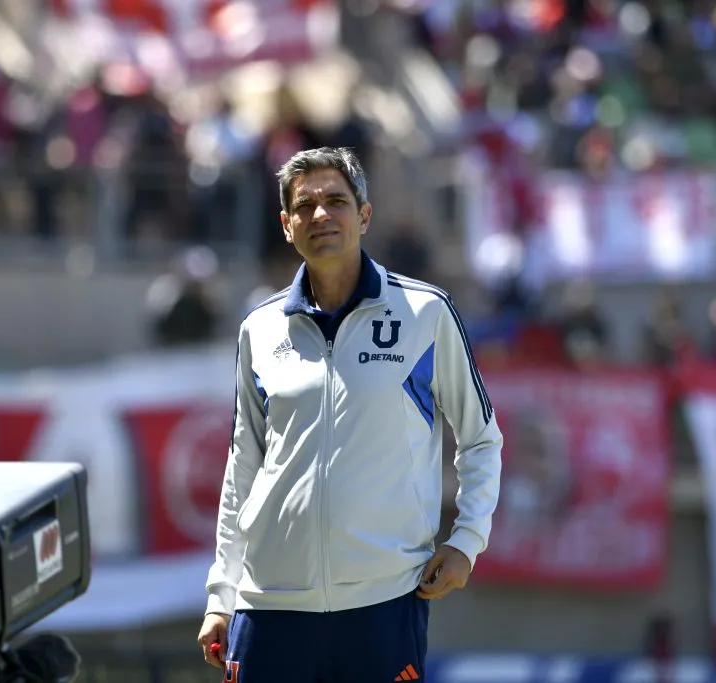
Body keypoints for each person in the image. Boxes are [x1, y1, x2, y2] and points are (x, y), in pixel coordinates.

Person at [197, 147, 503, 682]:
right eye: (306, 205)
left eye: (336, 201)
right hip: (268, 606)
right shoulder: (259, 329)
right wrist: (221, 594)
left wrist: (467, 542)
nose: (321, 215)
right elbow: (242, 466)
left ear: (364, 215)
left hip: (383, 604)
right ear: (286, 225)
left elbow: (480, 439)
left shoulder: (425, 313)